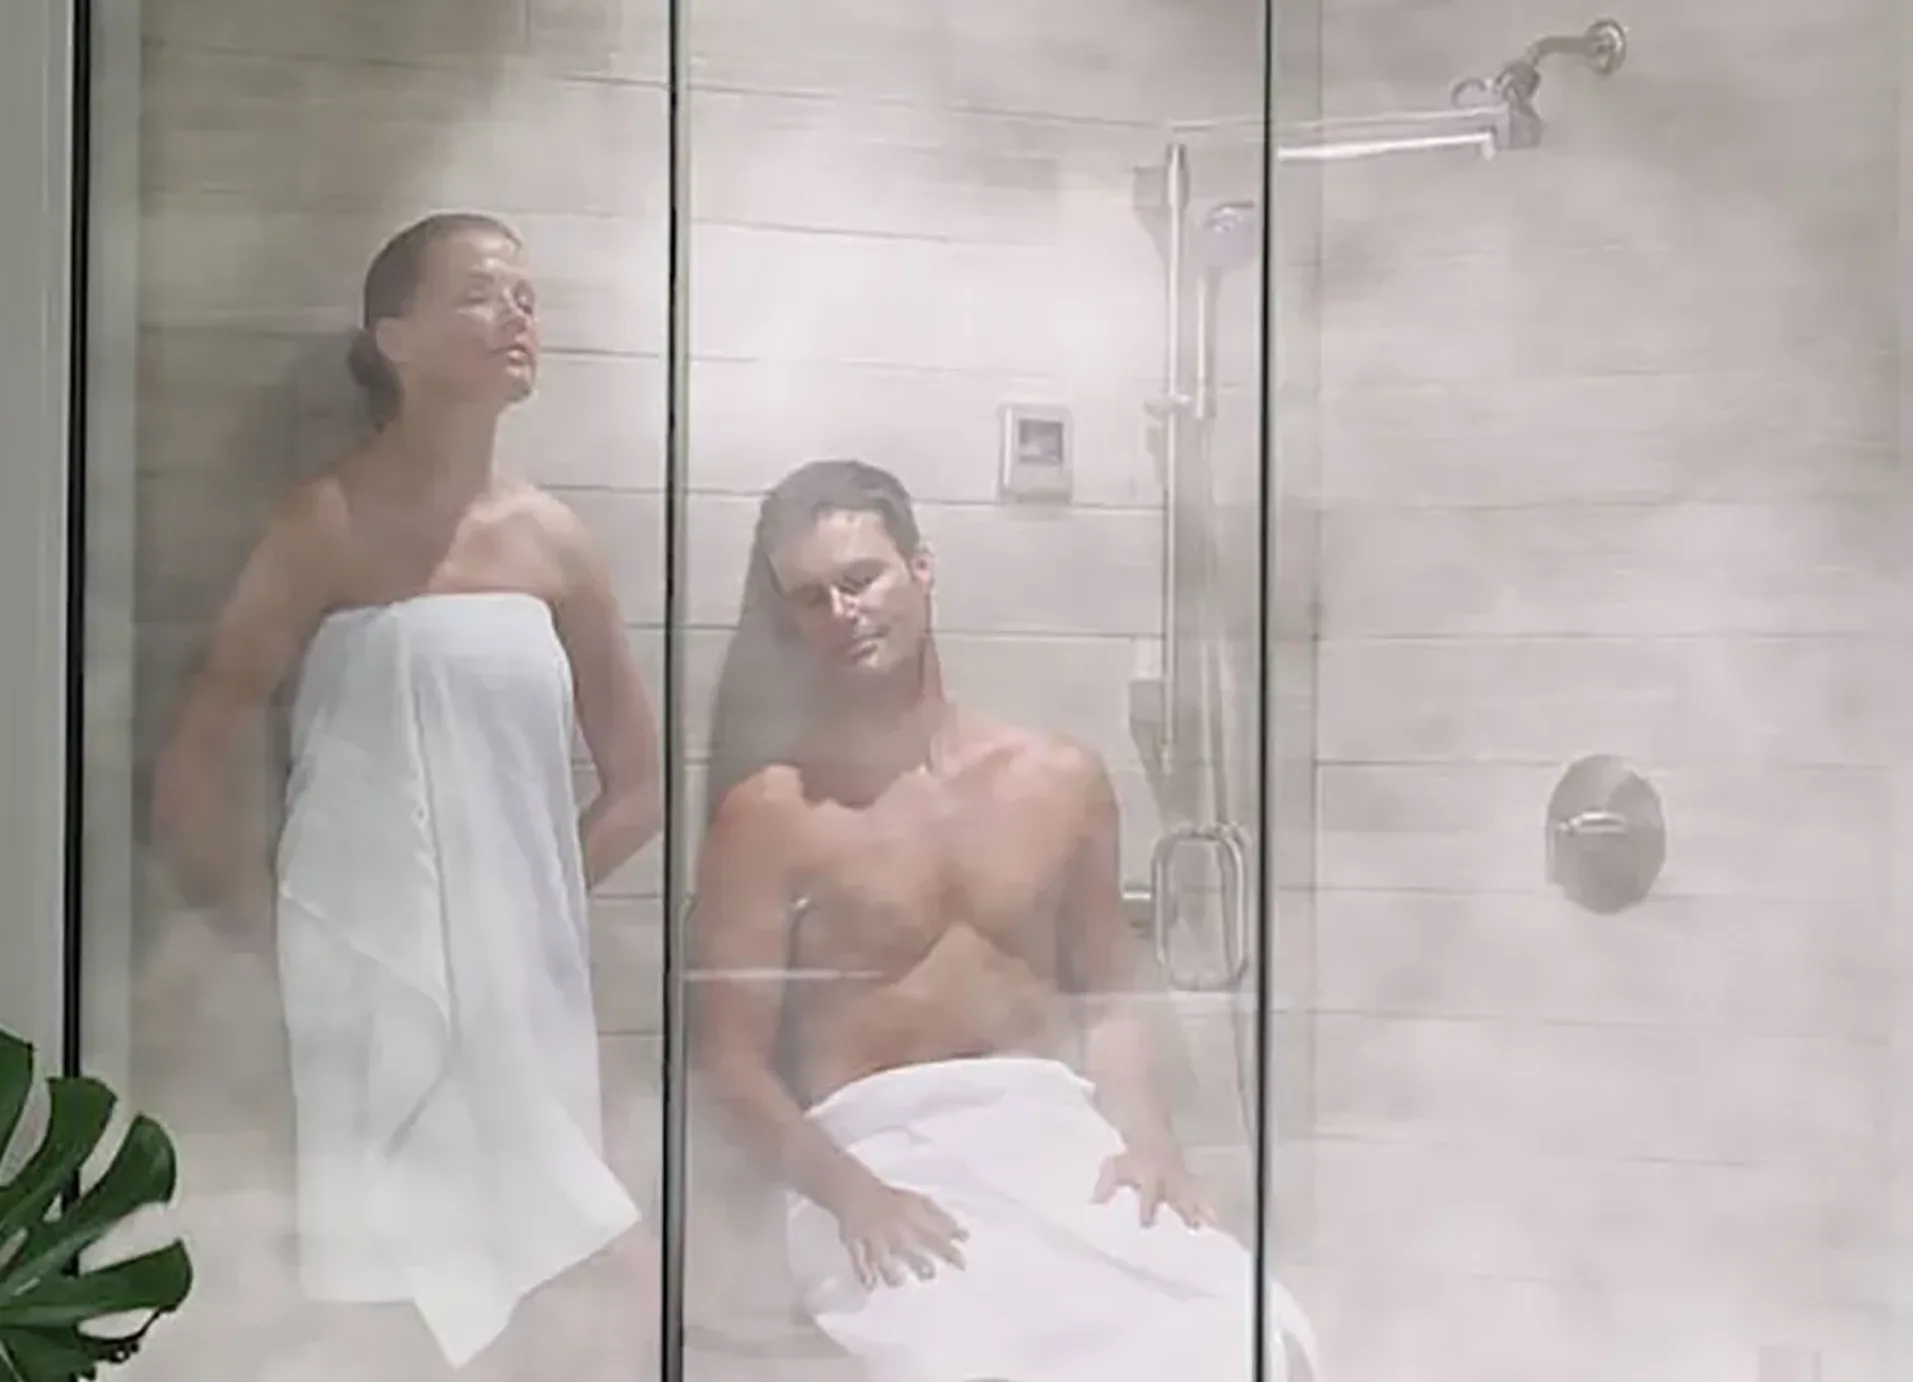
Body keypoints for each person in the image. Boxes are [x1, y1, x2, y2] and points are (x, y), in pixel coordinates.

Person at [149, 212, 662, 1376]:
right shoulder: (321, 523)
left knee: (570, 1282)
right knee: (389, 1303)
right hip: (363, 967)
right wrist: (275, 934)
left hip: (520, 989)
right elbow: (202, 745)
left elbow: (638, 784)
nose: (519, 314)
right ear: (393, 335)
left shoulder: (555, 542)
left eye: (528, 294)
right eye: (482, 293)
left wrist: (522, 912)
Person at [692, 459, 1317, 1382]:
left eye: (860, 579)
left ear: (921, 569)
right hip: (878, 1157)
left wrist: (1149, 1142)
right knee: (993, 1356)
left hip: (1051, 1137)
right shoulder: (772, 815)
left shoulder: (1057, 780)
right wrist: (851, 1195)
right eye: (811, 600)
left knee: (1246, 1329)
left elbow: (1107, 1000)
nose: (842, 613)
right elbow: (732, 1063)